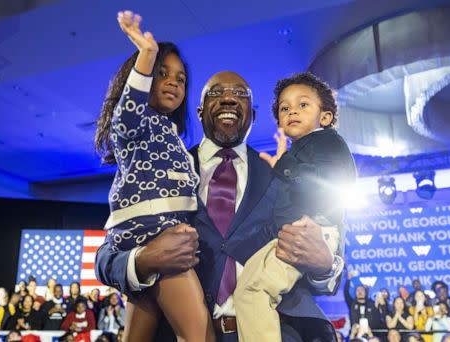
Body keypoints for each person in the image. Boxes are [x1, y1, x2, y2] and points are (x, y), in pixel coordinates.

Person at [96, 66, 344, 342]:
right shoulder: (158, 169)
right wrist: (143, 260)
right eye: (216, 92)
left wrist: (325, 266)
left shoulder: (284, 173)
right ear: (200, 111)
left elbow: (330, 257)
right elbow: (106, 257)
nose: (228, 98)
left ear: (254, 114)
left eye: (240, 93)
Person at [94, 10, 213, 342]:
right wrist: (146, 56)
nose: (174, 82)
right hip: (154, 237)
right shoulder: (139, 121)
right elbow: (127, 112)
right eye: (163, 74)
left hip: (152, 244)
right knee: (200, 336)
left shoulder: (173, 135)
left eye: (181, 78)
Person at [232, 72, 355, 341]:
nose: (292, 112)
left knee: (253, 292)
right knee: (246, 289)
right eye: (285, 108)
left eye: (303, 105)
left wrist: (284, 166)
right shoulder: (294, 154)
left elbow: (331, 183)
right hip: (289, 232)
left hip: (310, 231)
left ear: (325, 117)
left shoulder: (327, 142)